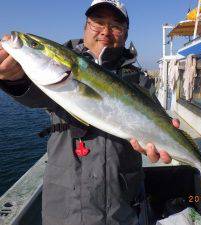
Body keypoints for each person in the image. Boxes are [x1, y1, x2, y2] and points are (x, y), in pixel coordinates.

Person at [0, 0, 180, 224]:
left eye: (116, 25)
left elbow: (155, 124)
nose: (105, 31)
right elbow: (34, 94)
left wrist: (158, 142)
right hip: (66, 210)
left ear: (125, 34)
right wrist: (15, 80)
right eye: (98, 22)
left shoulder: (139, 80)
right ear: (85, 27)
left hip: (122, 208)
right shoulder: (63, 71)